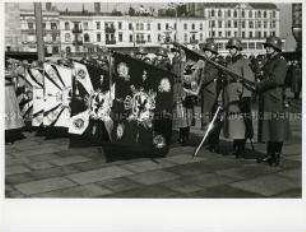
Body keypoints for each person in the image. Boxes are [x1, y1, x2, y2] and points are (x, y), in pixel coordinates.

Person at [256, 36, 290, 167]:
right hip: (267, 97)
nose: (267, 48)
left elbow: (277, 80)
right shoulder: (269, 60)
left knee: (277, 128)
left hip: (275, 98)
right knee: (268, 127)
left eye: (270, 46)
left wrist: (261, 84)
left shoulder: (281, 61)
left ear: (276, 48)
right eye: (266, 46)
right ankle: (269, 153)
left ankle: (276, 155)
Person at [223, 38, 255, 158]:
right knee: (233, 123)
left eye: (233, 48)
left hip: (239, 97)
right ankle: (236, 146)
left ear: (238, 49)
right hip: (230, 97)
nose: (230, 50)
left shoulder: (243, 62)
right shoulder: (230, 62)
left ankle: (240, 148)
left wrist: (245, 96)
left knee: (240, 124)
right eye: (229, 48)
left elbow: (249, 80)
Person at [5, 60, 25, 144]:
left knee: (11, 109)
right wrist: (13, 68)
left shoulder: (7, 69)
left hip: (9, 91)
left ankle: (10, 132)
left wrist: (15, 67)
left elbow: (14, 74)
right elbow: (12, 74)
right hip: (4, 91)